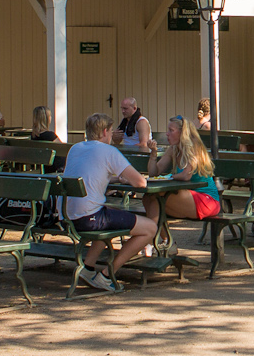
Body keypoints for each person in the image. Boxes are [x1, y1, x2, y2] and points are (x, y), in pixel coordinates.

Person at [62, 112, 156, 291]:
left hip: (67, 216)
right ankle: (107, 274)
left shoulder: (75, 148)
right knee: (150, 228)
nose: (112, 135)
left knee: (107, 214)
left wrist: (115, 179)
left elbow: (88, 176)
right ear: (105, 132)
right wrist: (125, 178)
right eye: (112, 131)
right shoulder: (108, 151)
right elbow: (140, 182)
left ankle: (88, 269)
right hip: (89, 218)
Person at [145, 116, 222, 226]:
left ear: (182, 133)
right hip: (190, 196)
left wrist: (169, 177)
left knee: (156, 196)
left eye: (171, 130)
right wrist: (153, 154)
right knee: (148, 198)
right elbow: (154, 173)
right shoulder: (173, 149)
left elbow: (186, 176)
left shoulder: (194, 148)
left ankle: (151, 238)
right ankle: (164, 240)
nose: (167, 134)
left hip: (207, 199)